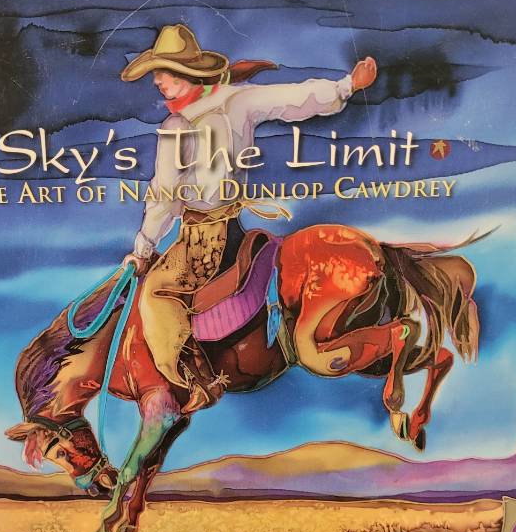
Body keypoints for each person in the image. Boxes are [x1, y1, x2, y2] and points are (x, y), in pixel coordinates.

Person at [121, 23, 377, 412]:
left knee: (155, 294)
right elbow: (292, 99)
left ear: (186, 74)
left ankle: (191, 380)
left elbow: (164, 197)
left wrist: (142, 250)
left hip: (202, 243)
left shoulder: (177, 127)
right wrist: (346, 86)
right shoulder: (237, 101)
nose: (157, 81)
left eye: (163, 72)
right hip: (235, 230)